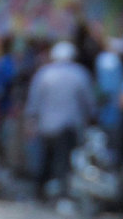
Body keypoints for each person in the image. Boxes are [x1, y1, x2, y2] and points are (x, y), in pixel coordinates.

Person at [25, 38, 93, 200]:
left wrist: (31, 122)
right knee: (64, 161)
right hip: (68, 127)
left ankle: (39, 193)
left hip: (46, 127)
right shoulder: (80, 74)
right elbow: (89, 102)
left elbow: (34, 102)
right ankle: (63, 194)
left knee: (45, 161)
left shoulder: (43, 74)